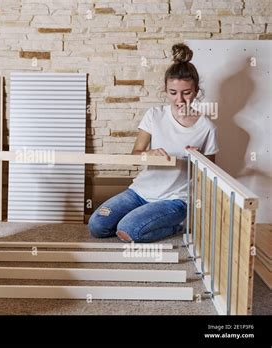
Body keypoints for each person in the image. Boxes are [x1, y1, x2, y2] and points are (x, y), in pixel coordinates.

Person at [88, 43, 219, 243]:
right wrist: (148, 154)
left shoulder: (206, 127)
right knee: (97, 226)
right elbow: (135, 154)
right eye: (173, 92)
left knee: (129, 230)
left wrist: (198, 159)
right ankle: (145, 217)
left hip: (175, 199)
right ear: (165, 90)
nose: (180, 99)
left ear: (196, 91)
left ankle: (175, 225)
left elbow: (212, 173)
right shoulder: (154, 115)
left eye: (186, 92)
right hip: (141, 191)